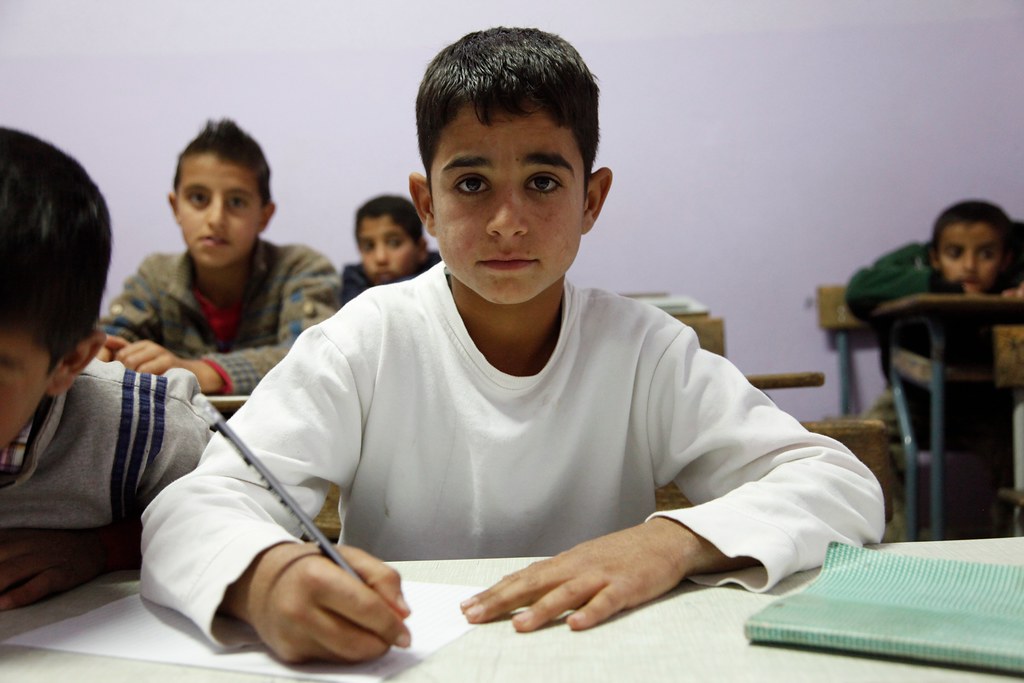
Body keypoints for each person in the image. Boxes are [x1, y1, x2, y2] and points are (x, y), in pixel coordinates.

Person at [141, 27, 883, 664]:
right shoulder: (363, 343)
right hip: (405, 660)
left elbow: (839, 483)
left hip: (608, 656)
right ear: (425, 202)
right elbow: (195, 507)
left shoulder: (645, 350)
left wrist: (671, 543)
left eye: (542, 180)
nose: (506, 220)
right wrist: (267, 577)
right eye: (470, 183)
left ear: (592, 199)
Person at [0, 127, 211, 609]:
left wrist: (102, 548)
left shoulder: (152, 429)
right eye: (198, 199)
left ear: (69, 361)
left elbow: (232, 525)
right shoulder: (155, 278)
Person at [98, 119, 340, 396]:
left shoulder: (301, 268)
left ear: (264, 215)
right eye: (198, 198)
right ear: (176, 207)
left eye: (236, 202)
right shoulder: (156, 275)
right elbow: (113, 338)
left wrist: (201, 371)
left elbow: (313, 356)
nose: (215, 219)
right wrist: (104, 352)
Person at [846, 199, 1019, 538]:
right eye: (956, 253)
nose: (969, 265)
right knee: (868, 438)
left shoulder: (1011, 284)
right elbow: (860, 290)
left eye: (985, 255)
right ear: (935, 258)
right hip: (911, 403)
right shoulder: (915, 266)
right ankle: (896, 543)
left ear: (1006, 259)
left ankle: (1013, 543)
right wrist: (945, 289)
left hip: (989, 410)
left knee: (1019, 446)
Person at [340, 194, 442, 305]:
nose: (380, 258)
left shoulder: (445, 281)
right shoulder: (350, 286)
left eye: (394, 243)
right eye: (369, 246)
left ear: (421, 249)